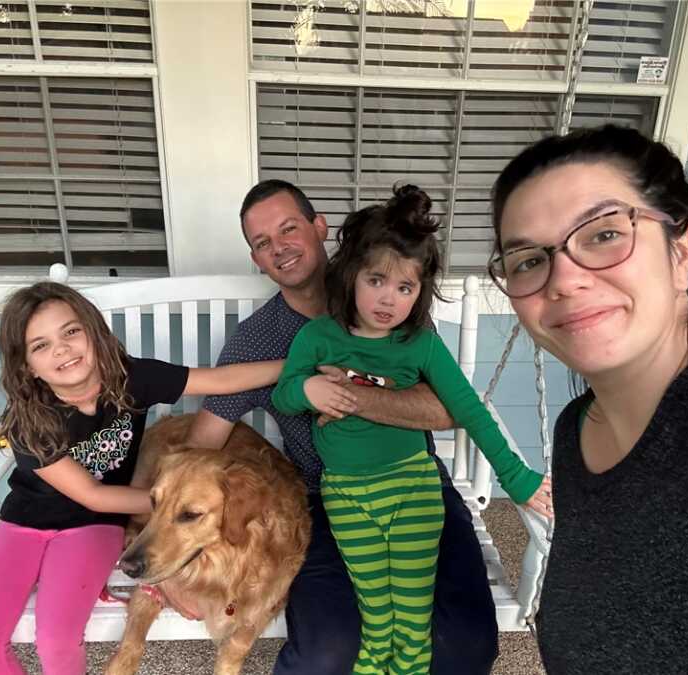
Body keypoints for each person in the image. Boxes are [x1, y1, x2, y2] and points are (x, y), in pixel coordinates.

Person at [487, 124, 688, 674]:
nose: (564, 279)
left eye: (604, 234)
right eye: (528, 260)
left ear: (680, 249)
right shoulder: (577, 432)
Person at [176, 179, 503, 675]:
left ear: (320, 227)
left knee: (464, 643)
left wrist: (350, 395)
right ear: (256, 260)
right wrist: (170, 557)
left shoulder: (385, 291)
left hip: (414, 484)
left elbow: (448, 409)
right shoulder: (255, 339)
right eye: (262, 243)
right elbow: (200, 446)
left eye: (288, 229)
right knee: (326, 654)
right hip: (323, 501)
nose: (279, 248)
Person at [270, 184, 551, 674]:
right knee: (375, 612)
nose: (389, 299)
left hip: (412, 488)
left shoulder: (418, 344)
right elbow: (284, 394)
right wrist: (308, 390)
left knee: (414, 611)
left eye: (406, 288)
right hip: (346, 494)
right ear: (351, 273)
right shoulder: (318, 337)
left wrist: (518, 478)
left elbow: (468, 408)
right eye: (377, 280)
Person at [0, 282, 282, 675]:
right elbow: (92, 493)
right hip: (25, 523)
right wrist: (180, 506)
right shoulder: (29, 423)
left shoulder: (131, 379)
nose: (60, 349)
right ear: (27, 366)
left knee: (55, 639)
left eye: (71, 332)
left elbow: (220, 381)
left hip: (92, 528)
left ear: (95, 333)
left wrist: (293, 366)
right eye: (40, 345)